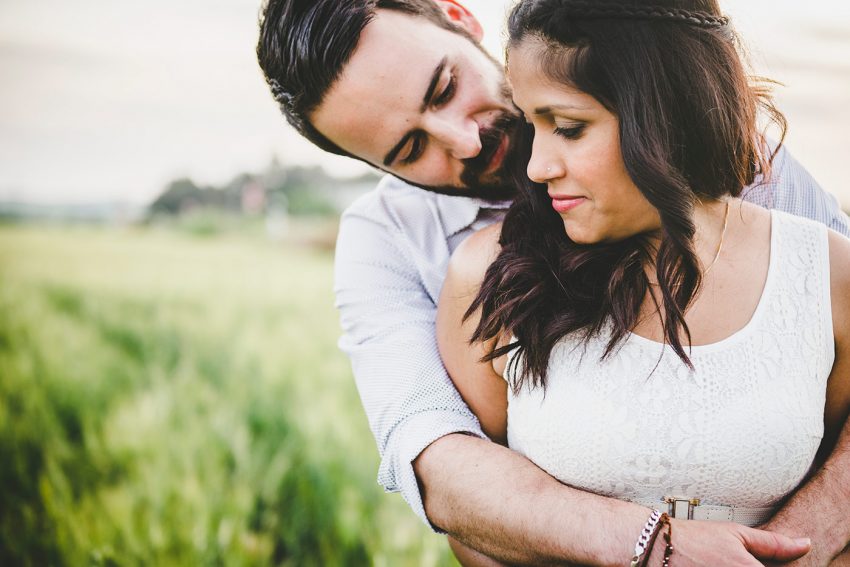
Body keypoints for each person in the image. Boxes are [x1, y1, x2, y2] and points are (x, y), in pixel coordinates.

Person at [255, 0, 850, 564]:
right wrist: (656, 549)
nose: (466, 140)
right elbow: (438, 457)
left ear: (460, 18)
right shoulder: (389, 243)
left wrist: (794, 548)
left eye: (445, 88)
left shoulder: (718, 150)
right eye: (412, 149)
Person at [436, 0, 850, 565]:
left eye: (569, 127)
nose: (536, 167)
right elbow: (474, 526)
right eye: (533, 125)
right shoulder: (492, 278)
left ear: (665, 110)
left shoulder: (827, 273)